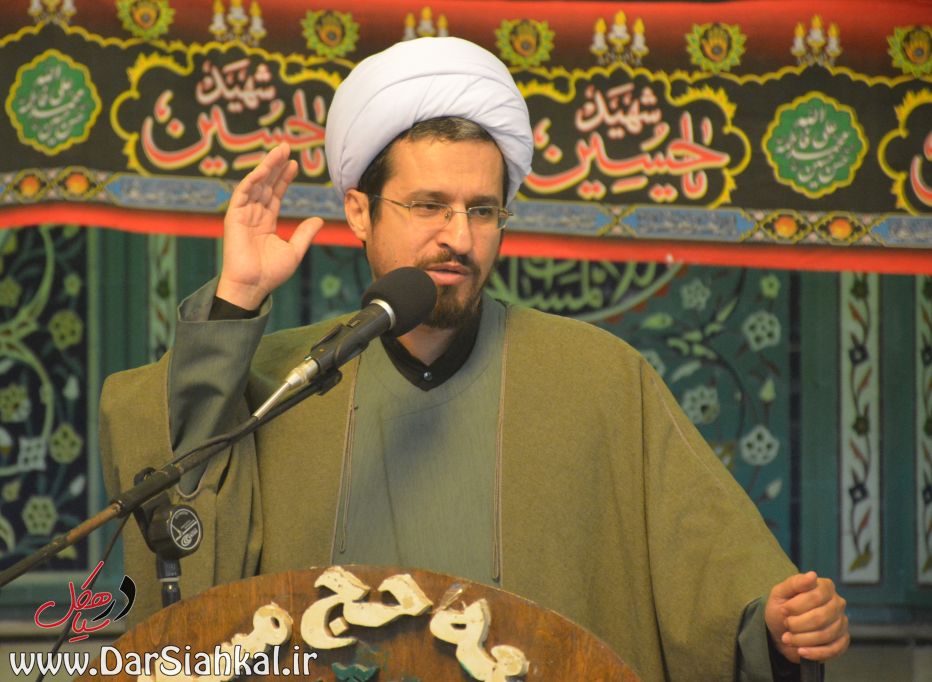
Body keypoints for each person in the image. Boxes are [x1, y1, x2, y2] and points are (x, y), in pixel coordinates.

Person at [100, 37, 848, 680]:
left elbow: (715, 573)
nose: (458, 237)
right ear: (359, 211)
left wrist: (774, 623)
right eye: (428, 206)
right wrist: (237, 297)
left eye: (482, 210)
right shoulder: (288, 382)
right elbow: (181, 510)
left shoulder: (597, 380)